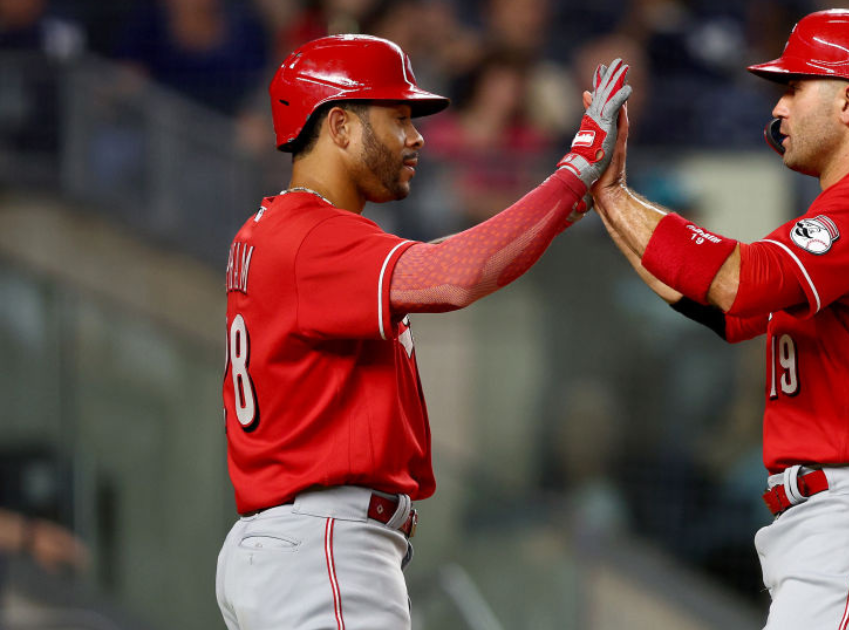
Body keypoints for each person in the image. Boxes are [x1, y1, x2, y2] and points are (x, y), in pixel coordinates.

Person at [214, 34, 630, 630]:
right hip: (324, 544)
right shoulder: (313, 233)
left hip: (290, 544)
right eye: (399, 117)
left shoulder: (276, 229)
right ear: (339, 127)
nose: (416, 138)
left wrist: (563, 205)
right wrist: (569, 175)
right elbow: (454, 277)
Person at [591, 9, 849, 628]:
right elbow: (723, 309)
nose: (779, 108)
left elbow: (740, 281)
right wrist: (607, 194)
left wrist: (612, 192)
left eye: (794, 87)